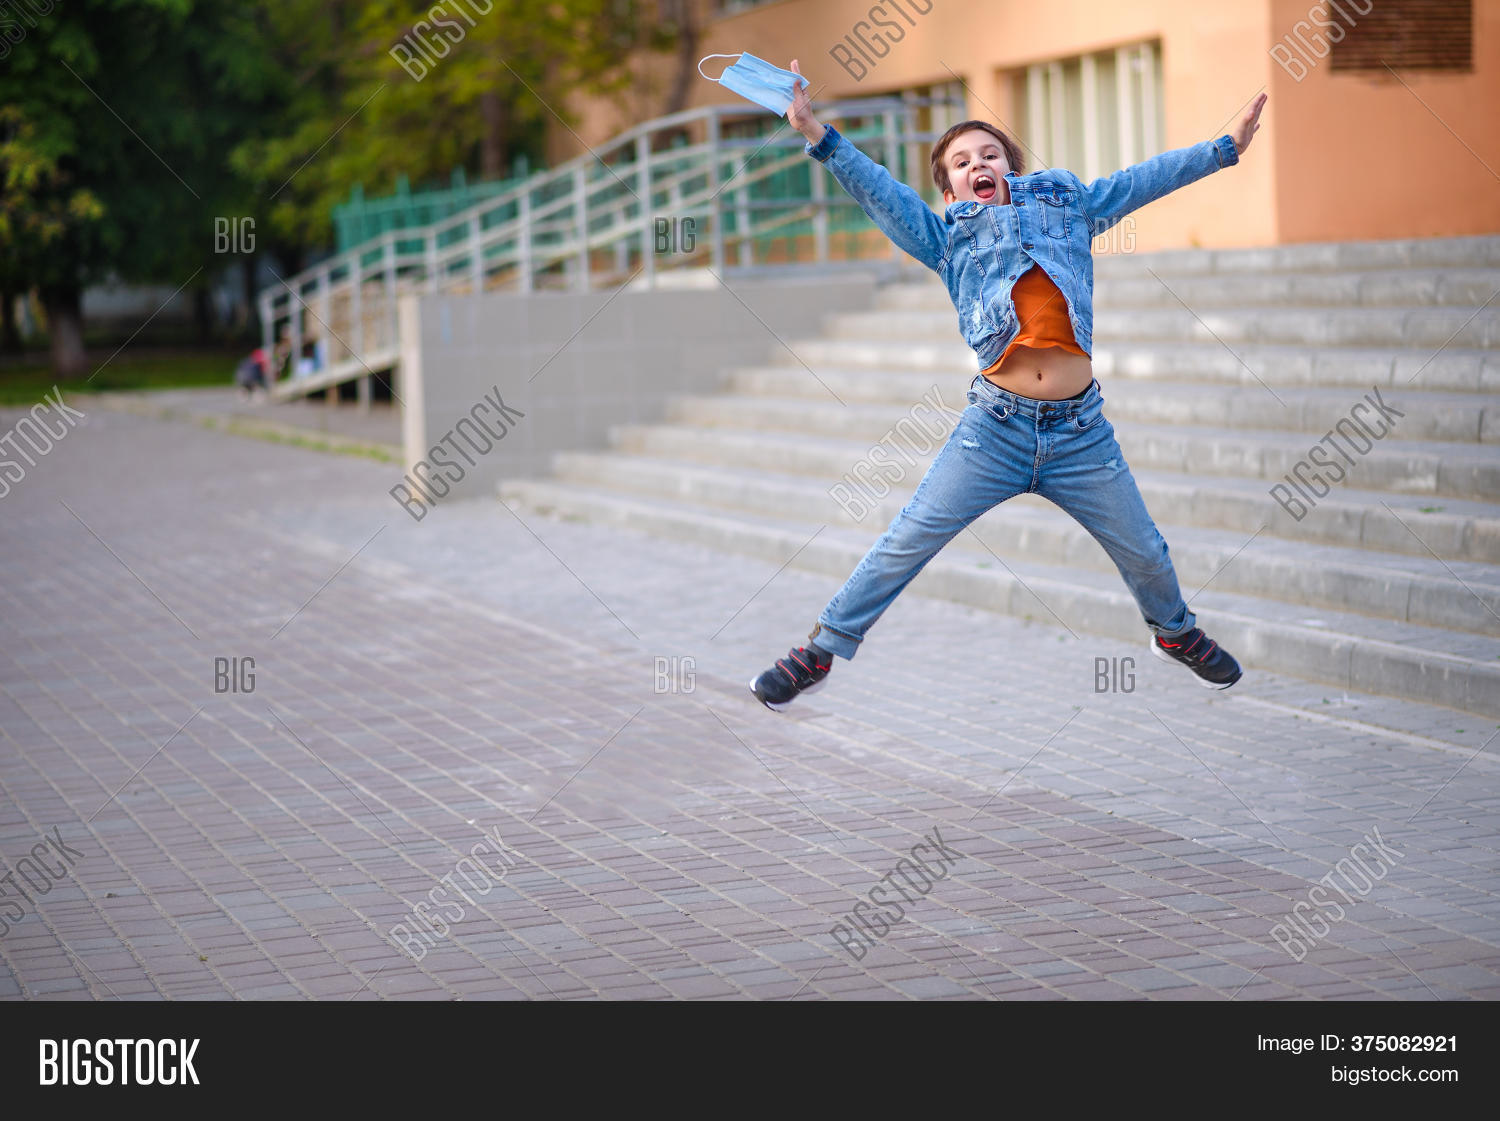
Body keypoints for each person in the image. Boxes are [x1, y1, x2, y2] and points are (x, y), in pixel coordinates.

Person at [750, 61, 1267, 710]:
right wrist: (816, 132)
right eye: (960, 162)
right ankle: (820, 647)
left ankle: (1174, 632)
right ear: (950, 192)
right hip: (993, 432)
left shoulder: (1068, 210)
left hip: (1081, 432)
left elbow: (1139, 181)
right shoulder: (942, 240)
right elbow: (879, 189)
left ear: (1011, 172)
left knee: (1146, 552)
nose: (977, 163)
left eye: (989, 153)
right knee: (905, 540)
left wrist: (1224, 149)